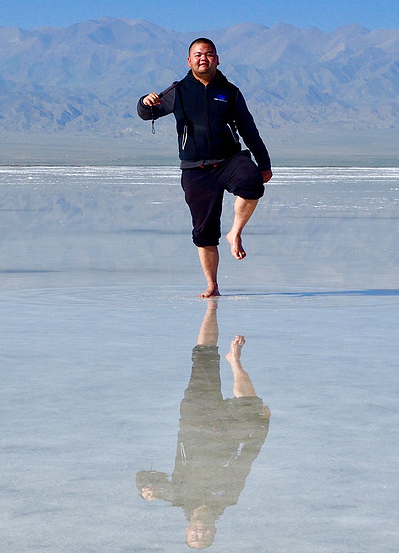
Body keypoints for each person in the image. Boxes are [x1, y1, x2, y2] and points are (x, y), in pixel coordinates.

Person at [138, 38, 273, 297]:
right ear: (189, 61)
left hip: (229, 160)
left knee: (251, 181)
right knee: (204, 231)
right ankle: (212, 285)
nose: (203, 58)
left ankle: (235, 233)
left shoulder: (230, 92)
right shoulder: (178, 91)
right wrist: (145, 102)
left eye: (209, 54)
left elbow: (248, 129)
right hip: (195, 168)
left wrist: (264, 163)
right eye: (198, 54)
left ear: (217, 59)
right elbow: (147, 114)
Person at [136, 299, 271, 548]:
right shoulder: (229, 498)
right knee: (254, 409)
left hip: (195, 417)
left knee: (204, 355)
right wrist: (264, 428)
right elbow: (246, 459)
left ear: (187, 529)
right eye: (205, 537)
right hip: (228, 430)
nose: (201, 533)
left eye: (195, 536)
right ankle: (235, 362)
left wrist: (145, 489)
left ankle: (211, 307)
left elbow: (142, 475)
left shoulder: (177, 496)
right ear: (214, 531)